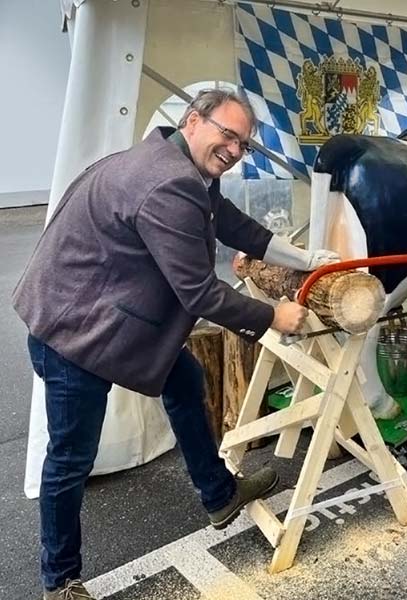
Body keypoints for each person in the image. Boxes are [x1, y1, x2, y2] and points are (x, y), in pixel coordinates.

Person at [13, 88, 338, 599]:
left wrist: (306, 259)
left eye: (243, 144)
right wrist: (275, 315)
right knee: (71, 459)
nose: (233, 150)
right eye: (226, 135)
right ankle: (60, 582)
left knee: (186, 379)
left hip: (99, 311)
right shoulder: (168, 182)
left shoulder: (184, 166)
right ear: (193, 121)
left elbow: (234, 225)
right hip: (75, 332)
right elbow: (199, 292)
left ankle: (218, 494)